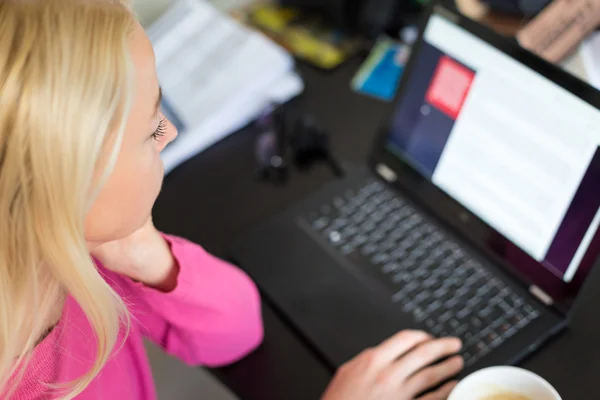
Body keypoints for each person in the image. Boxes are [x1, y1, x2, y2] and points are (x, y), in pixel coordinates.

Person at [0, 1, 464, 399]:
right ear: (68, 185)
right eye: (150, 129)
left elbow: (235, 333)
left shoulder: (75, 253)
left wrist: (144, 252)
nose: (170, 133)